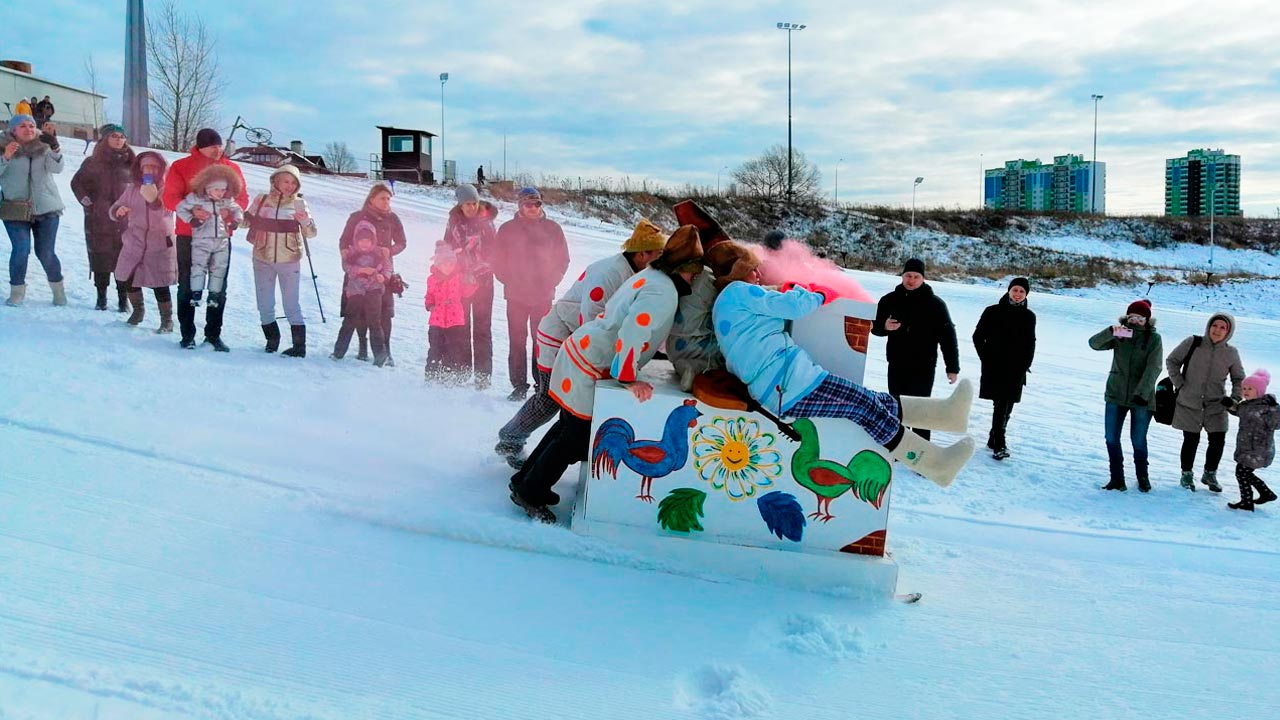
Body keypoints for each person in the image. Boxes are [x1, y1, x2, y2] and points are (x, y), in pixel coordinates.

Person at [713, 250, 975, 490]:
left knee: (868, 400)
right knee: (863, 409)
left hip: (792, 378)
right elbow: (794, 307)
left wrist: (790, 290)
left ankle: (944, 414)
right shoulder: (737, 291)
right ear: (736, 272)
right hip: (786, 384)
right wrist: (817, 294)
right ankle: (932, 462)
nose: (758, 274)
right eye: (753, 269)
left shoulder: (729, 302)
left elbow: (772, 304)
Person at [510, 226, 705, 523]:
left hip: (583, 353)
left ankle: (524, 482)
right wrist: (628, 377)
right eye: (694, 272)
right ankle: (531, 492)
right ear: (682, 269)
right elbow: (633, 330)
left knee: (566, 429)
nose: (695, 278)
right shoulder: (663, 291)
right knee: (575, 438)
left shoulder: (653, 276)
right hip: (590, 362)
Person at [494, 218, 667, 468]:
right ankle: (510, 440)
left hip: (577, 339)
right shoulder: (610, 273)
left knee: (568, 399)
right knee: (550, 398)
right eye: (658, 254)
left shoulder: (635, 272)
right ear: (642, 254)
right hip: (560, 335)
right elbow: (592, 321)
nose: (661, 261)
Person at [163, 128, 249, 351]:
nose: (217, 149)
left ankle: (213, 334)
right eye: (212, 146)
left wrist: (231, 214)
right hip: (189, 235)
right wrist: (193, 213)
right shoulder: (181, 167)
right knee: (188, 285)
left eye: (219, 145)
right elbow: (170, 197)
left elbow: (242, 198)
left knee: (218, 286)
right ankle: (187, 334)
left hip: (220, 236)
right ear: (200, 146)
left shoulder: (232, 168)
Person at [492, 187, 569, 400]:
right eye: (528, 204)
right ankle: (518, 385)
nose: (533, 208)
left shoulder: (553, 229)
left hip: (542, 295)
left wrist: (551, 280)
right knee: (517, 340)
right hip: (516, 295)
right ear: (520, 206)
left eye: (537, 204)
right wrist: (509, 278)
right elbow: (497, 260)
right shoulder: (507, 229)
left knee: (541, 340)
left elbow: (563, 259)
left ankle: (541, 385)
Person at [871, 258, 961, 439]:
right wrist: (884, 327)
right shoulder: (889, 300)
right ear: (902, 276)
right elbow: (874, 327)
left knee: (920, 408)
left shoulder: (935, 304)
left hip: (923, 365)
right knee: (897, 405)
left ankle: (921, 447)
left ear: (923, 279)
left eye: (916, 276)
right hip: (896, 362)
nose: (911, 280)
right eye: (908, 275)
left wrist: (952, 367)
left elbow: (948, 337)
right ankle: (897, 444)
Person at [1088, 300, 1163, 492]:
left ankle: (1142, 477)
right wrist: (1110, 331)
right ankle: (1117, 478)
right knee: (1111, 437)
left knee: (1138, 439)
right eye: (1132, 317)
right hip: (1116, 394)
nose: (1136, 321)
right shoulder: (1121, 334)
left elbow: (1154, 367)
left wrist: (1142, 393)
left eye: (1140, 318)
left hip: (1142, 398)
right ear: (1126, 317)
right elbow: (1093, 344)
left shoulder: (1153, 339)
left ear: (1147, 320)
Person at [1166, 312, 1245, 492]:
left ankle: (1210, 474)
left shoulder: (1231, 353)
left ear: (1229, 332)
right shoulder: (1193, 343)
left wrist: (1234, 399)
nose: (1217, 330)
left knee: (1218, 440)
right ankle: (1186, 475)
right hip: (1190, 402)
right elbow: (1172, 361)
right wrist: (1180, 384)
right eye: (1214, 325)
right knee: (1190, 440)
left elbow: (1238, 378)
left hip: (1217, 405)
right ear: (1208, 326)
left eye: (1222, 327)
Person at [244, 164, 317, 357]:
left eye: (294, 183)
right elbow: (245, 222)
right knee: (264, 303)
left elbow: (311, 233)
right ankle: (272, 340)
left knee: (291, 304)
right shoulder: (262, 199)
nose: (290, 186)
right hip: (262, 257)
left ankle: (299, 347)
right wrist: (231, 214)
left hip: (289, 259)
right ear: (275, 180)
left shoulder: (298, 203)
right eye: (286, 181)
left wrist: (305, 221)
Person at [337, 183, 407, 363]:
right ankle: (362, 346)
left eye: (389, 198)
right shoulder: (356, 217)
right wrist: (345, 252)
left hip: (381, 271)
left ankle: (386, 350)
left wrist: (389, 251)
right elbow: (344, 240)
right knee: (358, 309)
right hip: (358, 269)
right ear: (371, 199)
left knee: (384, 312)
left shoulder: (392, 218)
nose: (386, 202)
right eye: (382, 198)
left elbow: (402, 242)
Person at [2, 115, 65, 307]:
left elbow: (57, 168)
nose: (28, 129)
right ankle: (17, 292)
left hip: (46, 207)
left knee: (45, 252)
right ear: (13, 130)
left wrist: (54, 147)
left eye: (31, 125)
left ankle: (58, 290)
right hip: (15, 208)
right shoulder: (2, 146)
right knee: (21, 249)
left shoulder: (43, 144)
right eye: (22, 126)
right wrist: (5, 157)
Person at [71, 123, 135, 312]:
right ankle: (101, 297)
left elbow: (142, 185)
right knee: (102, 257)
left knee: (124, 259)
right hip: (99, 218)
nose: (119, 140)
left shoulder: (132, 161)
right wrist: (87, 202)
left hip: (125, 219)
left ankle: (124, 299)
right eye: (114, 136)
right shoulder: (93, 162)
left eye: (122, 136)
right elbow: (77, 183)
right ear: (105, 138)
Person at [111, 151, 177, 332]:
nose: (150, 170)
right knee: (128, 277)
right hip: (135, 239)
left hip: (160, 243)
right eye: (146, 166)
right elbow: (116, 206)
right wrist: (119, 211)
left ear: (161, 169)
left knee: (160, 283)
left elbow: (166, 213)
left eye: (154, 167)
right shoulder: (132, 188)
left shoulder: (167, 188)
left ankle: (167, 320)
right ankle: (138, 311)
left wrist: (154, 200)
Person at [971, 277, 1037, 460]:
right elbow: (977, 336)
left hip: (1017, 368)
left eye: (1021, 292)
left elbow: (1030, 342)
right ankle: (1000, 444)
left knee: (1009, 405)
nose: (1017, 294)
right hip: (995, 366)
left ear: (1026, 294)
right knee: (1000, 404)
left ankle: (994, 437)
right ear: (1009, 291)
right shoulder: (992, 311)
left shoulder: (1029, 316)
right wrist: (986, 358)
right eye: (1015, 290)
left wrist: (1026, 364)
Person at [443, 183, 497, 388]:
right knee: (462, 327)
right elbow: (447, 246)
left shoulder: (487, 222)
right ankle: (462, 371)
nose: (471, 207)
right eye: (467, 204)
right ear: (460, 204)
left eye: (474, 203)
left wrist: (480, 270)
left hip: (483, 283)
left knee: (482, 329)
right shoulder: (453, 222)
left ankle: (483, 376)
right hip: (460, 283)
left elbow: (495, 251)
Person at [175, 165, 243, 317]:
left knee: (219, 268)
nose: (221, 193)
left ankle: (214, 294)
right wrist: (192, 219)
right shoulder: (196, 199)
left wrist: (235, 221)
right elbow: (180, 208)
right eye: (217, 190)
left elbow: (238, 209)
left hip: (222, 239)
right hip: (201, 239)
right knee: (198, 266)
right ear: (207, 188)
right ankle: (196, 292)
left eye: (223, 190)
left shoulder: (226, 201)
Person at [332, 221, 392, 366]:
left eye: (368, 241)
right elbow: (346, 267)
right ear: (356, 240)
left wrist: (383, 277)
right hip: (355, 291)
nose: (364, 244)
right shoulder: (351, 252)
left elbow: (388, 268)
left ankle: (380, 354)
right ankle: (339, 351)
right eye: (361, 241)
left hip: (374, 291)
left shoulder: (380, 253)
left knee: (374, 322)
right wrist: (361, 270)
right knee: (349, 321)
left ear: (373, 240)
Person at [423, 243, 478, 382]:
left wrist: (472, 283)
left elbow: (466, 293)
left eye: (451, 264)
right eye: (445, 264)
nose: (449, 267)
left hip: (455, 322)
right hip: (436, 321)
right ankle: (431, 375)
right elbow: (429, 295)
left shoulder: (458, 278)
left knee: (452, 350)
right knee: (435, 349)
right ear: (438, 265)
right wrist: (429, 305)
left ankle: (448, 374)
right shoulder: (432, 280)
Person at [1227, 370, 1278, 511]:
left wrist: (1275, 409)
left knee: (1242, 472)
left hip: (1260, 449)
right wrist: (1229, 404)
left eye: (1250, 389)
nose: (1246, 391)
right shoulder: (1246, 405)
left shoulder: (1268, 407)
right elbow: (1237, 410)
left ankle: (1250, 501)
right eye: (1244, 388)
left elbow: (1277, 424)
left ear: (1259, 391)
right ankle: (1263, 494)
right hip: (1247, 447)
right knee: (1243, 472)